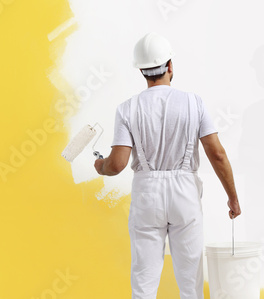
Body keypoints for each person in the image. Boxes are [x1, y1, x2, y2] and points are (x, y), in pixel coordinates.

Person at [93, 32, 241, 299]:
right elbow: (217, 154)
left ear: (141, 71)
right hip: (185, 194)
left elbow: (116, 165)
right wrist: (233, 198)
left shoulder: (127, 109)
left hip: (146, 195)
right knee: (190, 283)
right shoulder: (194, 103)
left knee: (144, 282)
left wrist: (100, 165)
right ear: (170, 66)